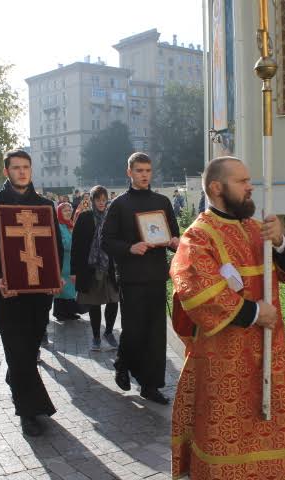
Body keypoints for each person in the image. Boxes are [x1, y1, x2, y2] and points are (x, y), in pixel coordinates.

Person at [169, 156, 285, 479]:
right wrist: (256, 312)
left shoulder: (258, 230)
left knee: (272, 428)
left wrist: (281, 242)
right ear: (217, 188)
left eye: (249, 181)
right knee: (226, 436)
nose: (250, 187)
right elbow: (197, 292)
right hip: (224, 361)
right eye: (242, 181)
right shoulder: (197, 236)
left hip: (270, 356)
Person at [0, 149, 63, 438]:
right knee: (19, 352)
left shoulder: (45, 207)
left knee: (27, 351)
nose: (22, 172)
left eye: (26, 167)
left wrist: (55, 276)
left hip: (39, 296)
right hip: (8, 296)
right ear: (7, 172)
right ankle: (28, 413)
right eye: (16, 167)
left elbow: (55, 247)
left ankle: (15, 375)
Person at [102, 152, 180, 405]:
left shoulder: (162, 202)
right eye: (139, 171)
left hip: (157, 276)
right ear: (129, 172)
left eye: (147, 171)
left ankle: (151, 386)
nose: (144, 175)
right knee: (134, 331)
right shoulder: (119, 205)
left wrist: (175, 243)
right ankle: (123, 364)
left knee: (156, 334)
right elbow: (106, 241)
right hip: (132, 277)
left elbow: (173, 235)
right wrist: (129, 248)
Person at [71, 185, 120, 352]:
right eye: (98, 199)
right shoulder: (84, 217)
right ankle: (96, 336)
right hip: (90, 268)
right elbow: (76, 246)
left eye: (104, 199)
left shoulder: (111, 217)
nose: (101, 203)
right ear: (92, 200)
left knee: (114, 301)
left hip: (110, 267)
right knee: (94, 304)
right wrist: (74, 271)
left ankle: (108, 332)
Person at [52, 202, 80, 321]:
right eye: (65, 210)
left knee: (70, 289)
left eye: (70, 210)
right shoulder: (59, 226)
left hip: (71, 262)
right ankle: (60, 313)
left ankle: (69, 312)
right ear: (59, 213)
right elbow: (63, 244)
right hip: (63, 261)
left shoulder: (71, 224)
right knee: (62, 288)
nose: (68, 212)